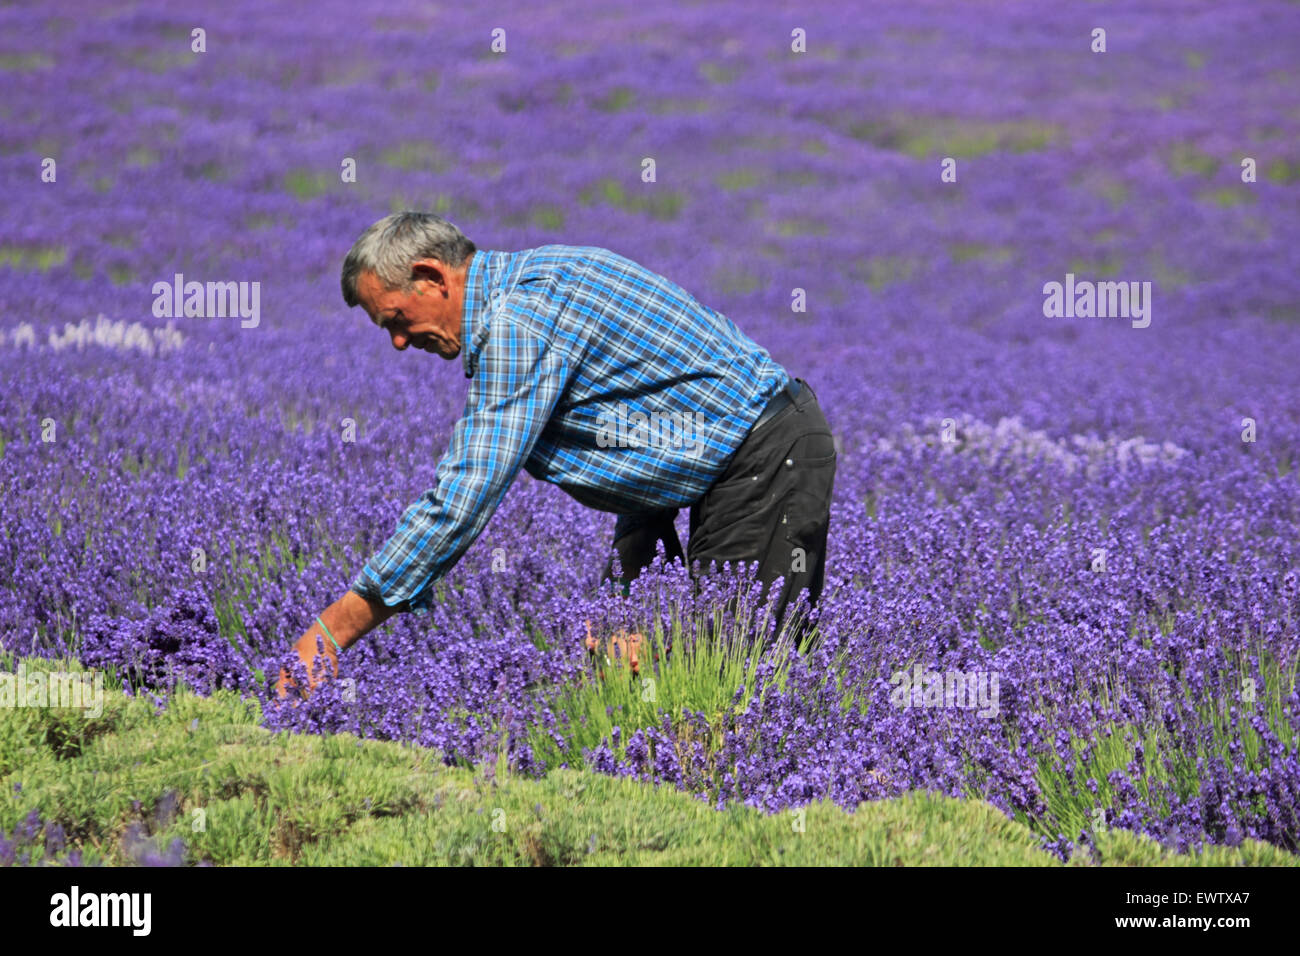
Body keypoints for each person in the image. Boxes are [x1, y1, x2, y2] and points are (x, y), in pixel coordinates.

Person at [276, 212, 836, 698]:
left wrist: (330, 635)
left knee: (734, 684)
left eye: (397, 319)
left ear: (431, 277)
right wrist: (631, 594)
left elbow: (462, 498)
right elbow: (647, 453)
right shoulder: (541, 283)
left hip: (767, 459)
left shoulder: (520, 322)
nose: (399, 342)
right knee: (660, 671)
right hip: (749, 457)